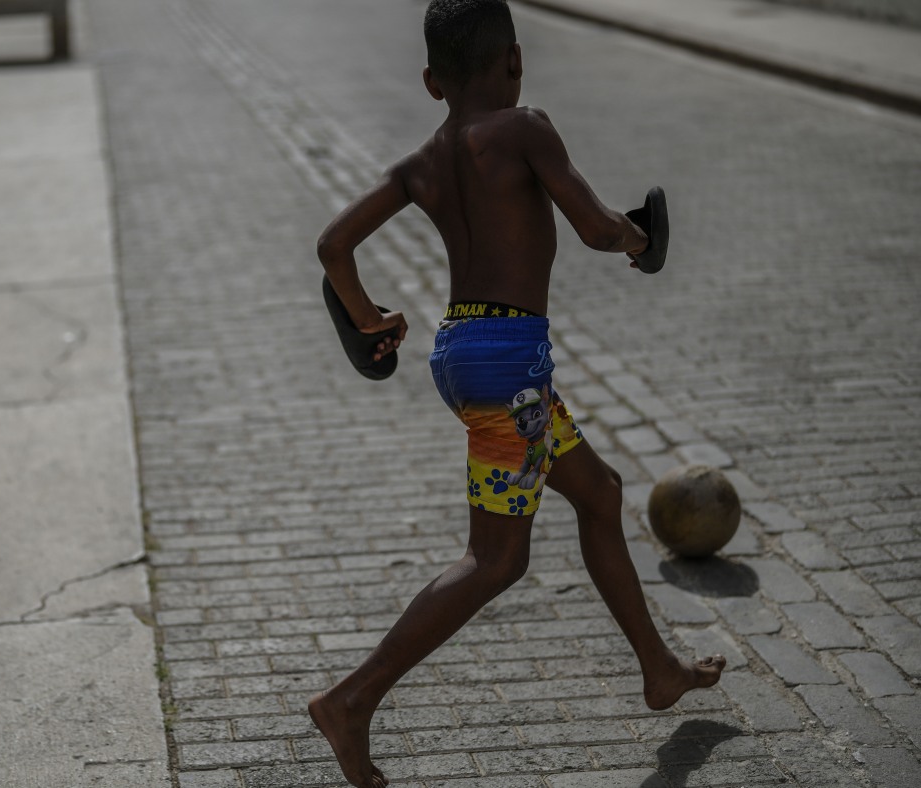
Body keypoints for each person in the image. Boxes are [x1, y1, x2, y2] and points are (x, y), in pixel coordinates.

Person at [306, 3, 724, 786]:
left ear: (431, 81)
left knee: (598, 493)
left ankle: (658, 670)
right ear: (515, 61)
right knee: (496, 558)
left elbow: (333, 245)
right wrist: (641, 241)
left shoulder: (421, 163)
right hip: (508, 371)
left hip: (467, 353)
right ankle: (351, 700)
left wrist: (367, 318)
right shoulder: (526, 128)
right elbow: (597, 228)